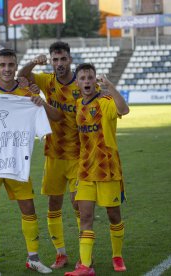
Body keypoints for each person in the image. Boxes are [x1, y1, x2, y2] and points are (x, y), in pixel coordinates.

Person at [0, 48, 63, 276]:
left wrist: (38, 102)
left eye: (11, 65)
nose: (7, 69)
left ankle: (33, 258)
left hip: (16, 162)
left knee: (29, 208)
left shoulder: (26, 92)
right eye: (2, 65)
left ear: (15, 66)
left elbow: (52, 119)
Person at [17, 41, 83, 269]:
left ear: (70, 59)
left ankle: (85, 256)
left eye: (63, 59)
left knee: (79, 204)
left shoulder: (81, 83)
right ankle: (61, 253)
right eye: (55, 60)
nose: (59, 63)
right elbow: (22, 75)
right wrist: (34, 62)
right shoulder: (48, 80)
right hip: (54, 153)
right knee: (54, 204)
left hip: (79, 154)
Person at [65, 63, 129, 276]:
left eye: (89, 78)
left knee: (113, 215)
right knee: (85, 217)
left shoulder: (105, 101)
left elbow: (124, 109)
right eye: (82, 78)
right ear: (77, 82)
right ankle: (85, 265)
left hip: (107, 169)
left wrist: (110, 86)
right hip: (85, 170)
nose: (86, 82)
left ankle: (117, 255)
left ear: (95, 80)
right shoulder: (77, 105)